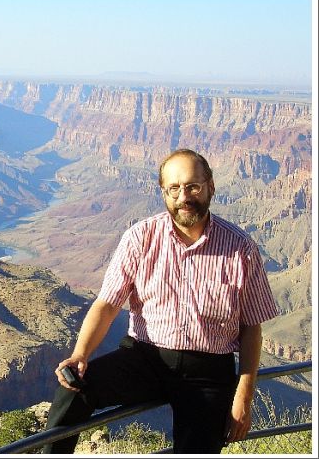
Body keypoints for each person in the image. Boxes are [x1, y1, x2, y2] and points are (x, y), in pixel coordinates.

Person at [42, 149, 278, 454]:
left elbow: (251, 328)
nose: (184, 197)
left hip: (207, 372)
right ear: (163, 192)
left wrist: (242, 398)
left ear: (211, 186)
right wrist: (80, 355)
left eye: (193, 186)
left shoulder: (241, 248)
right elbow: (108, 304)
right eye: (174, 188)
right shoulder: (140, 238)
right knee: (73, 391)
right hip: (145, 358)